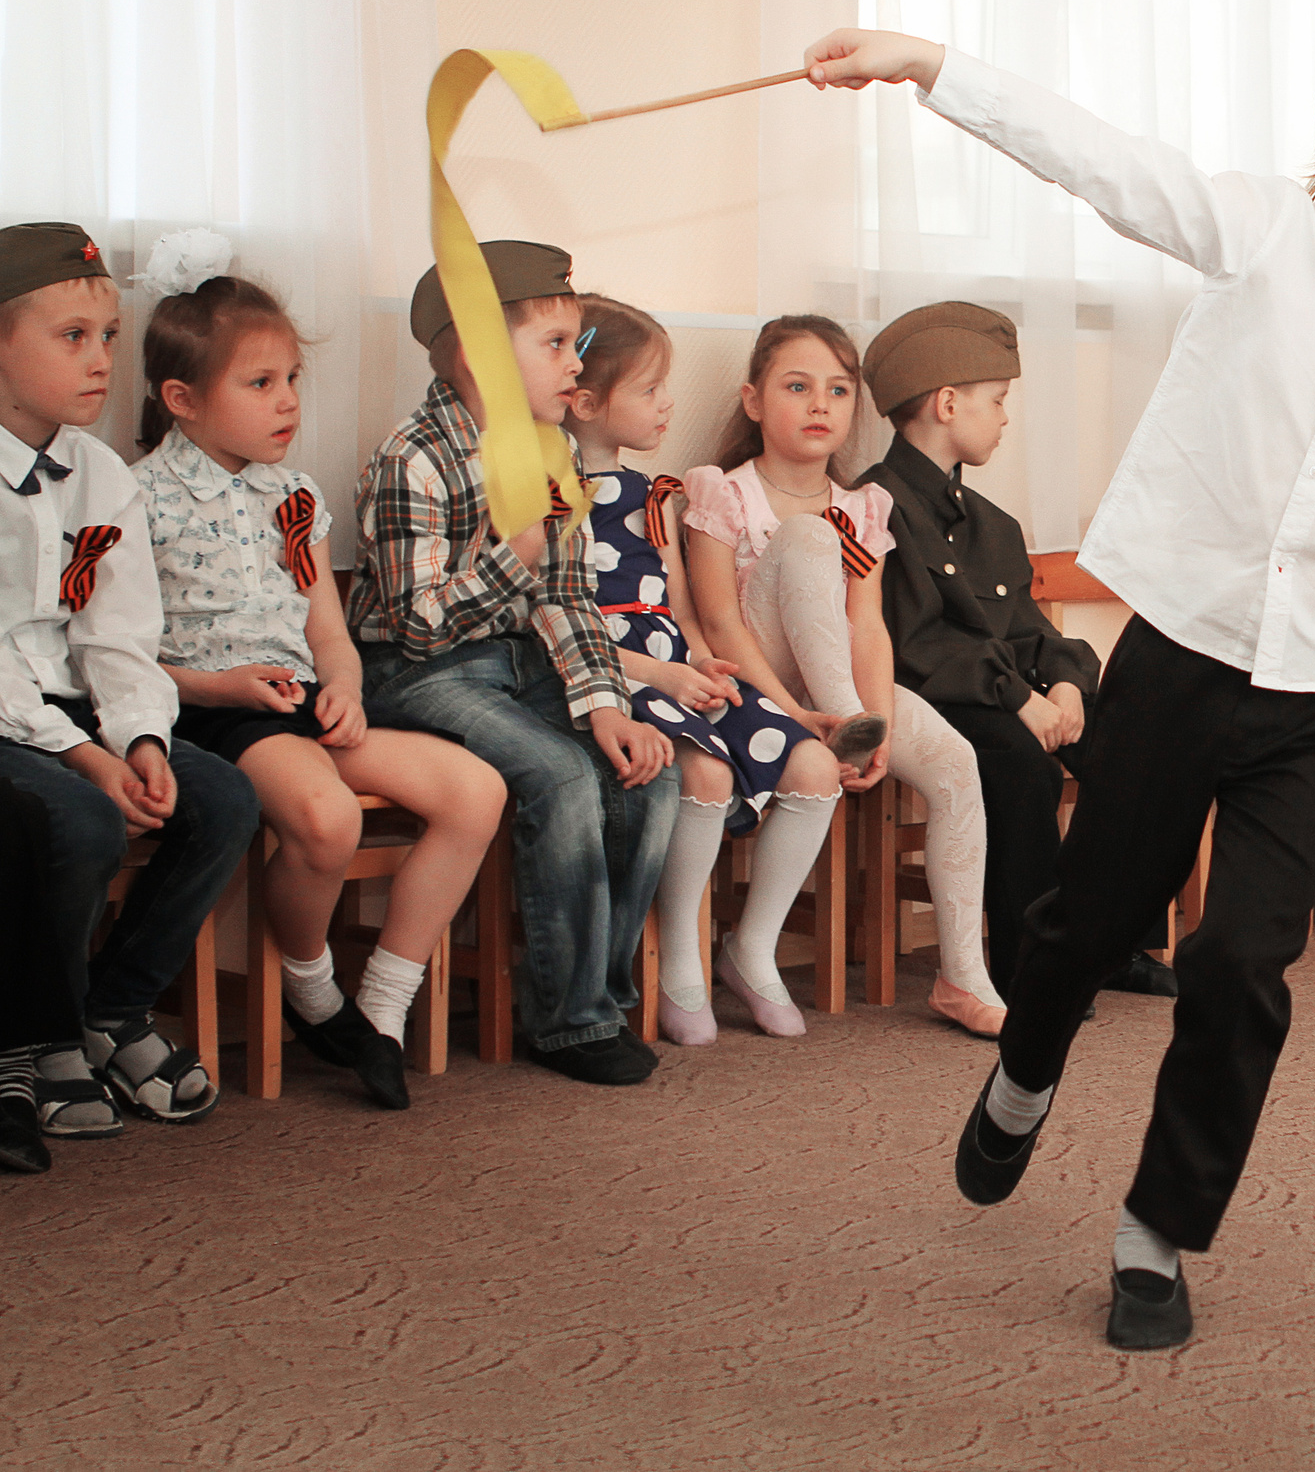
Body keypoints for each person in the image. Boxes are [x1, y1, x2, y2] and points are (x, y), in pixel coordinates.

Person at [803, 0, 1315, 1349]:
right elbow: (1098, 158)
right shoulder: (1257, 228)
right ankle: (1026, 1068)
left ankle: (1154, 1234)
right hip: (1182, 659)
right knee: (1090, 922)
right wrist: (929, 65)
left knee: (1243, 967)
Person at [132, 235, 504, 1108]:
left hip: (299, 702)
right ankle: (315, 989)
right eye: (260, 383)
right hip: (213, 709)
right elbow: (125, 654)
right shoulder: (138, 497)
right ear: (183, 399)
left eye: (293, 378)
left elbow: (328, 630)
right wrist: (222, 687)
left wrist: (342, 685)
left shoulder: (295, 496)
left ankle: (383, 1006)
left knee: (475, 790)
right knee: (328, 818)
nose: (288, 400)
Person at [348, 241, 678, 1086]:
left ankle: (597, 995)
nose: (576, 363)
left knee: (646, 772)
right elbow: (419, 626)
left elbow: (567, 594)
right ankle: (570, 1022)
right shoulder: (413, 458)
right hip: (413, 671)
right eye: (556, 344)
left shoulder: (552, 451)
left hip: (512, 660)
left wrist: (606, 702)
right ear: (478, 354)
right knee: (559, 774)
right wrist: (515, 551)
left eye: (577, 342)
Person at [0, 221, 259, 1152]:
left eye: (108, 335)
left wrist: (140, 738)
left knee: (221, 797)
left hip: (71, 702)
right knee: (81, 821)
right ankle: (40, 1034)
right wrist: (82, 756)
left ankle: (110, 1011)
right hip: (6, 710)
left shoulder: (99, 472)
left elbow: (116, 634)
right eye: (72, 336)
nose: (101, 358)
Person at [681, 314, 1006, 1037]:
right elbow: (721, 624)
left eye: (838, 390)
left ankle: (962, 976)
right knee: (806, 537)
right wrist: (801, 717)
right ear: (754, 400)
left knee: (957, 762)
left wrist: (876, 721)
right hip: (761, 689)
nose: (820, 405)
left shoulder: (862, 505)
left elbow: (867, 625)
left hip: (842, 698)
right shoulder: (724, 494)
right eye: (797, 387)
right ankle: (844, 727)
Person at [854, 302, 1186, 990]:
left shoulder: (991, 523)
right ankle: (1033, 971)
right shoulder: (875, 505)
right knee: (1022, 766)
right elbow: (915, 644)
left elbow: (1030, 629)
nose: (1006, 418)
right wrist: (1019, 700)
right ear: (948, 403)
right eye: (998, 400)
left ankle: (1108, 943)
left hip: (1007, 694)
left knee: (1136, 748)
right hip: (936, 700)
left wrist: (1064, 684)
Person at [561, 295, 862, 1043]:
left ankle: (751, 948)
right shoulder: (548, 498)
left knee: (812, 763)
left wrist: (698, 657)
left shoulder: (658, 495)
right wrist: (663, 676)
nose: (668, 403)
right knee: (706, 771)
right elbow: (559, 623)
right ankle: (681, 957)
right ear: (588, 402)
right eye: (650, 389)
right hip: (611, 673)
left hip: (675, 664)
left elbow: (681, 607)